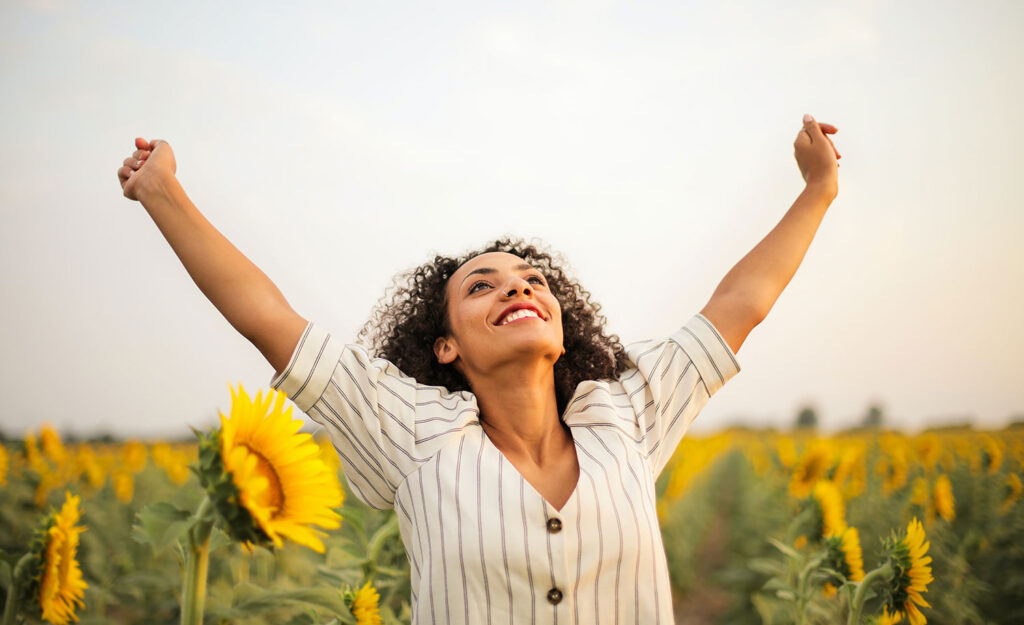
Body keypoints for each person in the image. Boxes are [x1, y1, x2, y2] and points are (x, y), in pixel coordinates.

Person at [116, 114, 841, 624]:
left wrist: (817, 191)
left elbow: (740, 303)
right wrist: (162, 190)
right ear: (445, 346)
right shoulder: (410, 432)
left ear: (562, 330)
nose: (518, 288)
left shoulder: (626, 413)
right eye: (482, 285)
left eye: (532, 280)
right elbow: (268, 319)